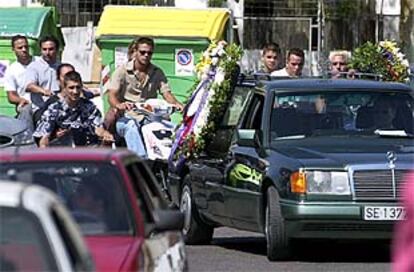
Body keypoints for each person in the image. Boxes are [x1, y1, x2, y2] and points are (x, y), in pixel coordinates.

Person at [107, 36, 183, 158]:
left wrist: (177, 104)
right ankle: (141, 162)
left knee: (173, 129)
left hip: (150, 117)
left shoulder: (157, 72)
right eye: (142, 52)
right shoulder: (121, 71)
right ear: (135, 52)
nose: (146, 55)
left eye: (149, 53)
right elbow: (111, 95)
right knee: (131, 127)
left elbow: (167, 93)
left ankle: (172, 159)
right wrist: (119, 105)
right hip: (127, 117)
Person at [33, 71, 113, 147]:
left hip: (87, 151)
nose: (75, 91)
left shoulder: (90, 107)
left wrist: (106, 135)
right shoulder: (54, 109)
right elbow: (44, 137)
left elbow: (98, 128)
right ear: (64, 88)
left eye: (78, 87)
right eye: (71, 88)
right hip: (62, 152)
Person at [3, 35, 37, 132]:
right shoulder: (12, 70)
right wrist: (21, 100)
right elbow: (11, 96)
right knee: (26, 111)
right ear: (13, 49)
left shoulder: (39, 62)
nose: (24, 50)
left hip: (43, 104)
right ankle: (27, 141)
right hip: (26, 105)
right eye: (20, 47)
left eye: (26, 46)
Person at [25, 35, 61, 115]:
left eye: (51, 49)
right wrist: (44, 91)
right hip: (40, 110)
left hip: (58, 108)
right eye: (44, 49)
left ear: (57, 50)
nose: (47, 53)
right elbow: (29, 86)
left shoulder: (61, 66)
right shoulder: (34, 66)